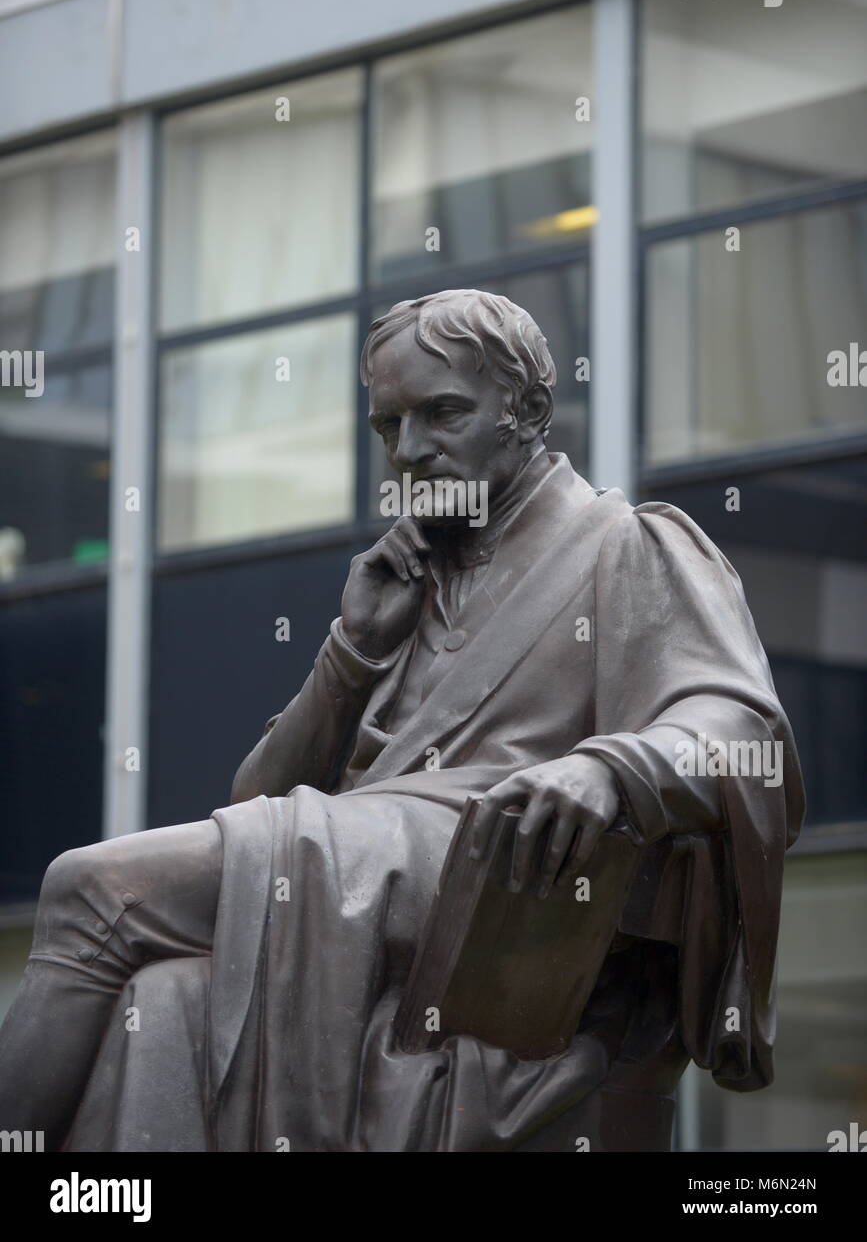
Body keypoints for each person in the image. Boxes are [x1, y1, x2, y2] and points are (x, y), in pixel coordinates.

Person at [0, 289, 805, 1152]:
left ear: (528, 409)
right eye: (388, 428)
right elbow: (253, 801)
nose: (412, 452)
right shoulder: (408, 583)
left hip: (491, 863)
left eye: (443, 413)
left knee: (95, 890)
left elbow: (740, 728)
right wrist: (353, 651)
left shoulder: (626, 542)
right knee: (158, 1005)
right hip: (368, 864)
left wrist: (607, 770)